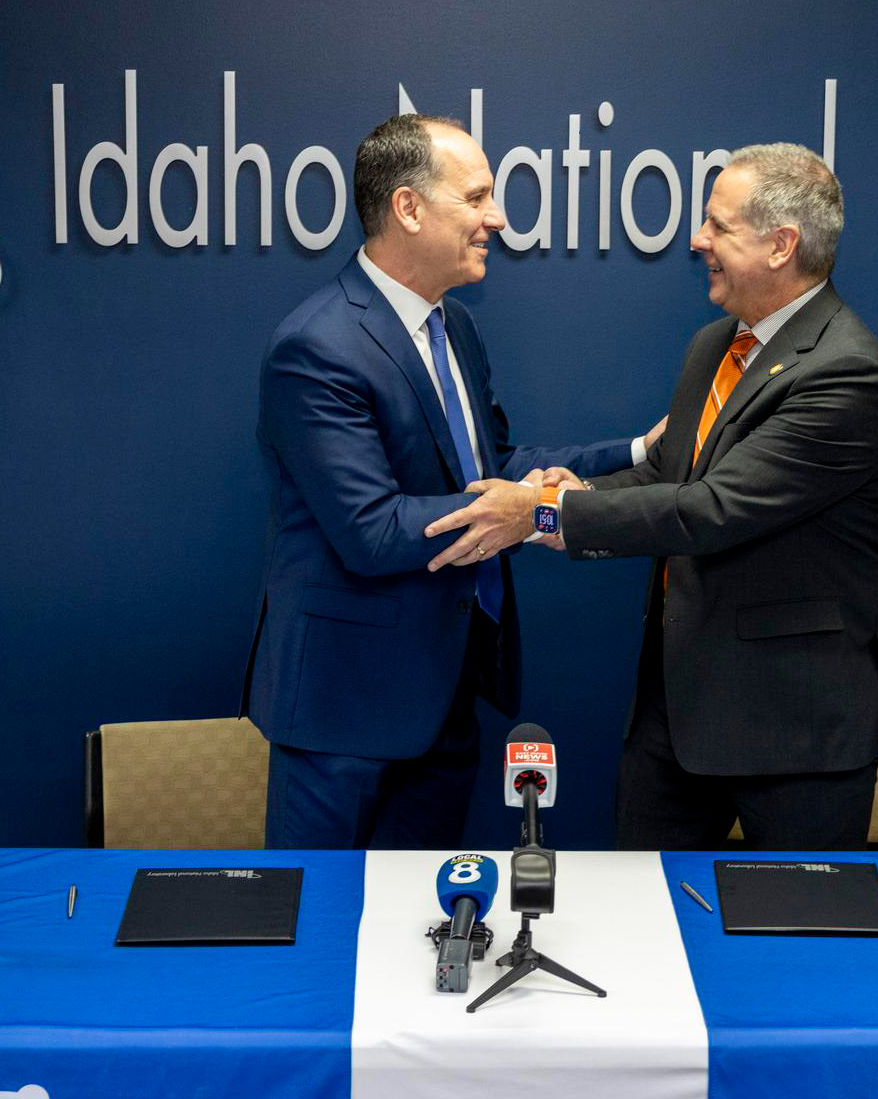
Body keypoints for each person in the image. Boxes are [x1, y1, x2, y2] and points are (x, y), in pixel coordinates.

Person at [424, 143, 878, 850]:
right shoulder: (714, 345)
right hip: (675, 716)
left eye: (717, 225)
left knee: (797, 945)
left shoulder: (846, 375)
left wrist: (542, 512)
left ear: (780, 245)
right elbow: (667, 479)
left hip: (796, 730)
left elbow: (712, 510)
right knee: (644, 925)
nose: (697, 240)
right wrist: (577, 490)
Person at [246, 113, 661, 849]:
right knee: (321, 928)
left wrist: (632, 451)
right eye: (476, 199)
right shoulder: (316, 346)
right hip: (346, 710)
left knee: (427, 929)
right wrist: (523, 513)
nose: (496, 219)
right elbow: (371, 533)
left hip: (447, 694)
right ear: (407, 208)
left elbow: (489, 466)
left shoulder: (456, 325)